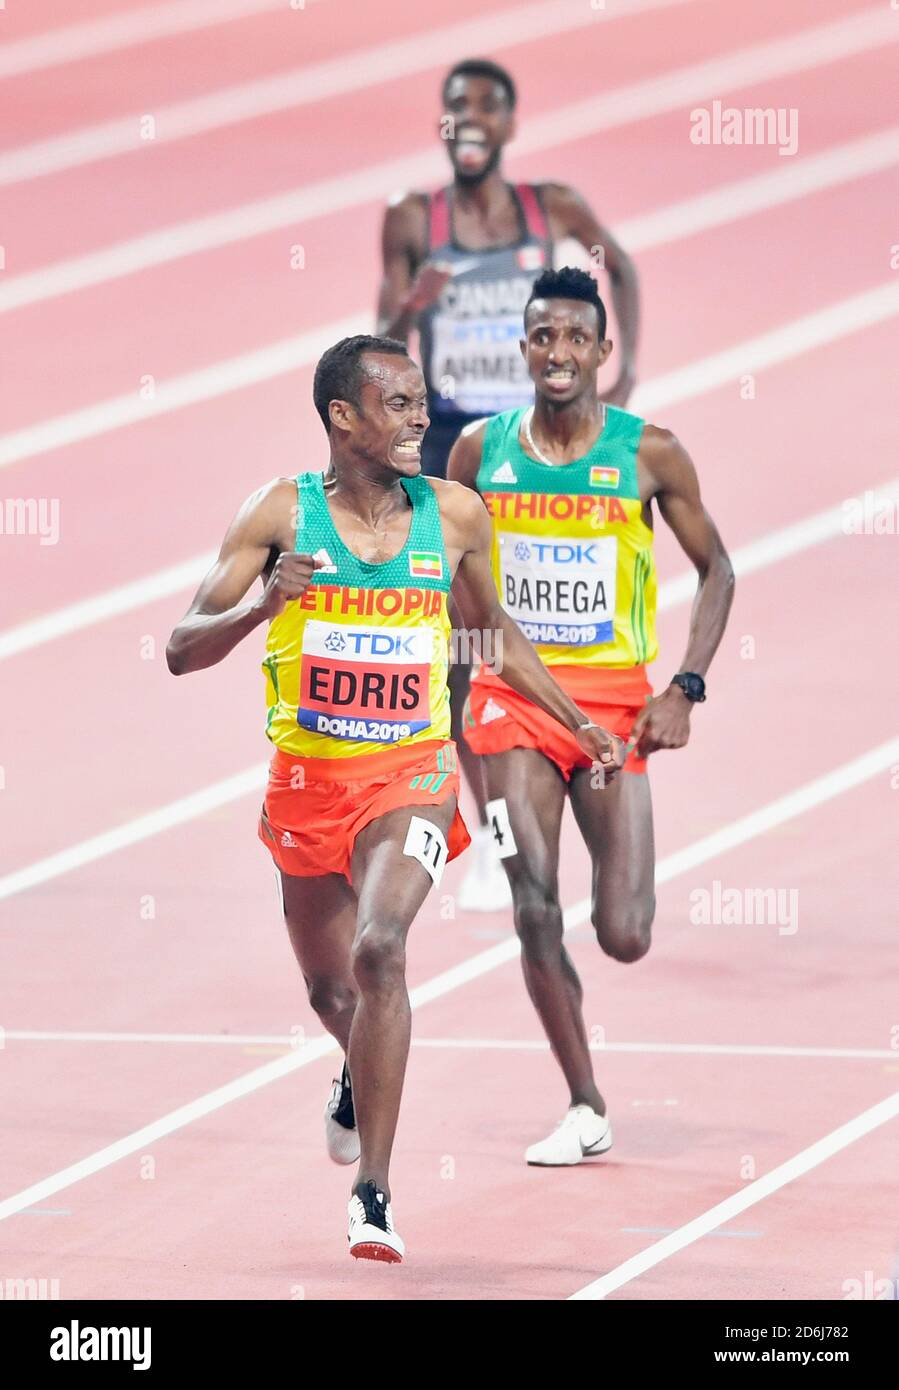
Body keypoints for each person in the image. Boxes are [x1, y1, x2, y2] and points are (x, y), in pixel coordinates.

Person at [167, 334, 626, 1260]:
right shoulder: (279, 514)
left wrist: (577, 724)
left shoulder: (453, 514)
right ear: (344, 417)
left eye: (423, 401)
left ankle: (371, 1193)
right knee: (331, 988)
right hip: (305, 783)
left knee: (382, 951)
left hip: (409, 773)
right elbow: (180, 645)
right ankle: (353, 1068)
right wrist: (262, 607)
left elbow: (489, 631)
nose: (422, 417)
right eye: (400, 403)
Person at [448, 268, 734, 1165]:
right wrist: (454, 714)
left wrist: (682, 689)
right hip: (512, 704)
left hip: (614, 710)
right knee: (534, 908)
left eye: (576, 339)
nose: (558, 353)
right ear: (522, 347)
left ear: (603, 352)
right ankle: (584, 1102)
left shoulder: (650, 453)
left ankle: (610, 934)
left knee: (624, 936)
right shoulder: (477, 455)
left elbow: (718, 568)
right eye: (542, 337)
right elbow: (453, 594)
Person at [378, 57, 640, 909]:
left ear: (511, 125)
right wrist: (410, 307)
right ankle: (493, 839)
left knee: (529, 615)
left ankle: (545, 786)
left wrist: (625, 373)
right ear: (444, 124)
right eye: (457, 107)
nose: (471, 120)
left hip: (534, 440)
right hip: (455, 442)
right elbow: (380, 335)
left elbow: (620, 268)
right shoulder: (413, 217)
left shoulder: (549, 208)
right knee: (462, 645)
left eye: (488, 107)